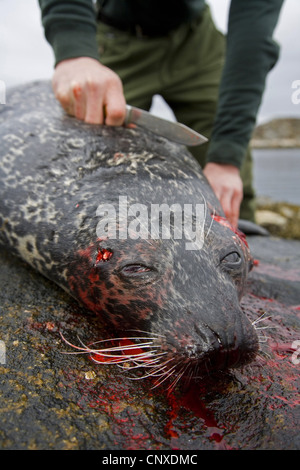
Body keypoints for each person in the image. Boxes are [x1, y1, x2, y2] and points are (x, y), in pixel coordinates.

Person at [38, 0, 284, 228]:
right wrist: (74, 49)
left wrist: (227, 158)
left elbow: (254, 28)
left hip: (198, 42)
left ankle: (244, 257)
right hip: (114, 36)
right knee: (85, 170)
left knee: (231, 175)